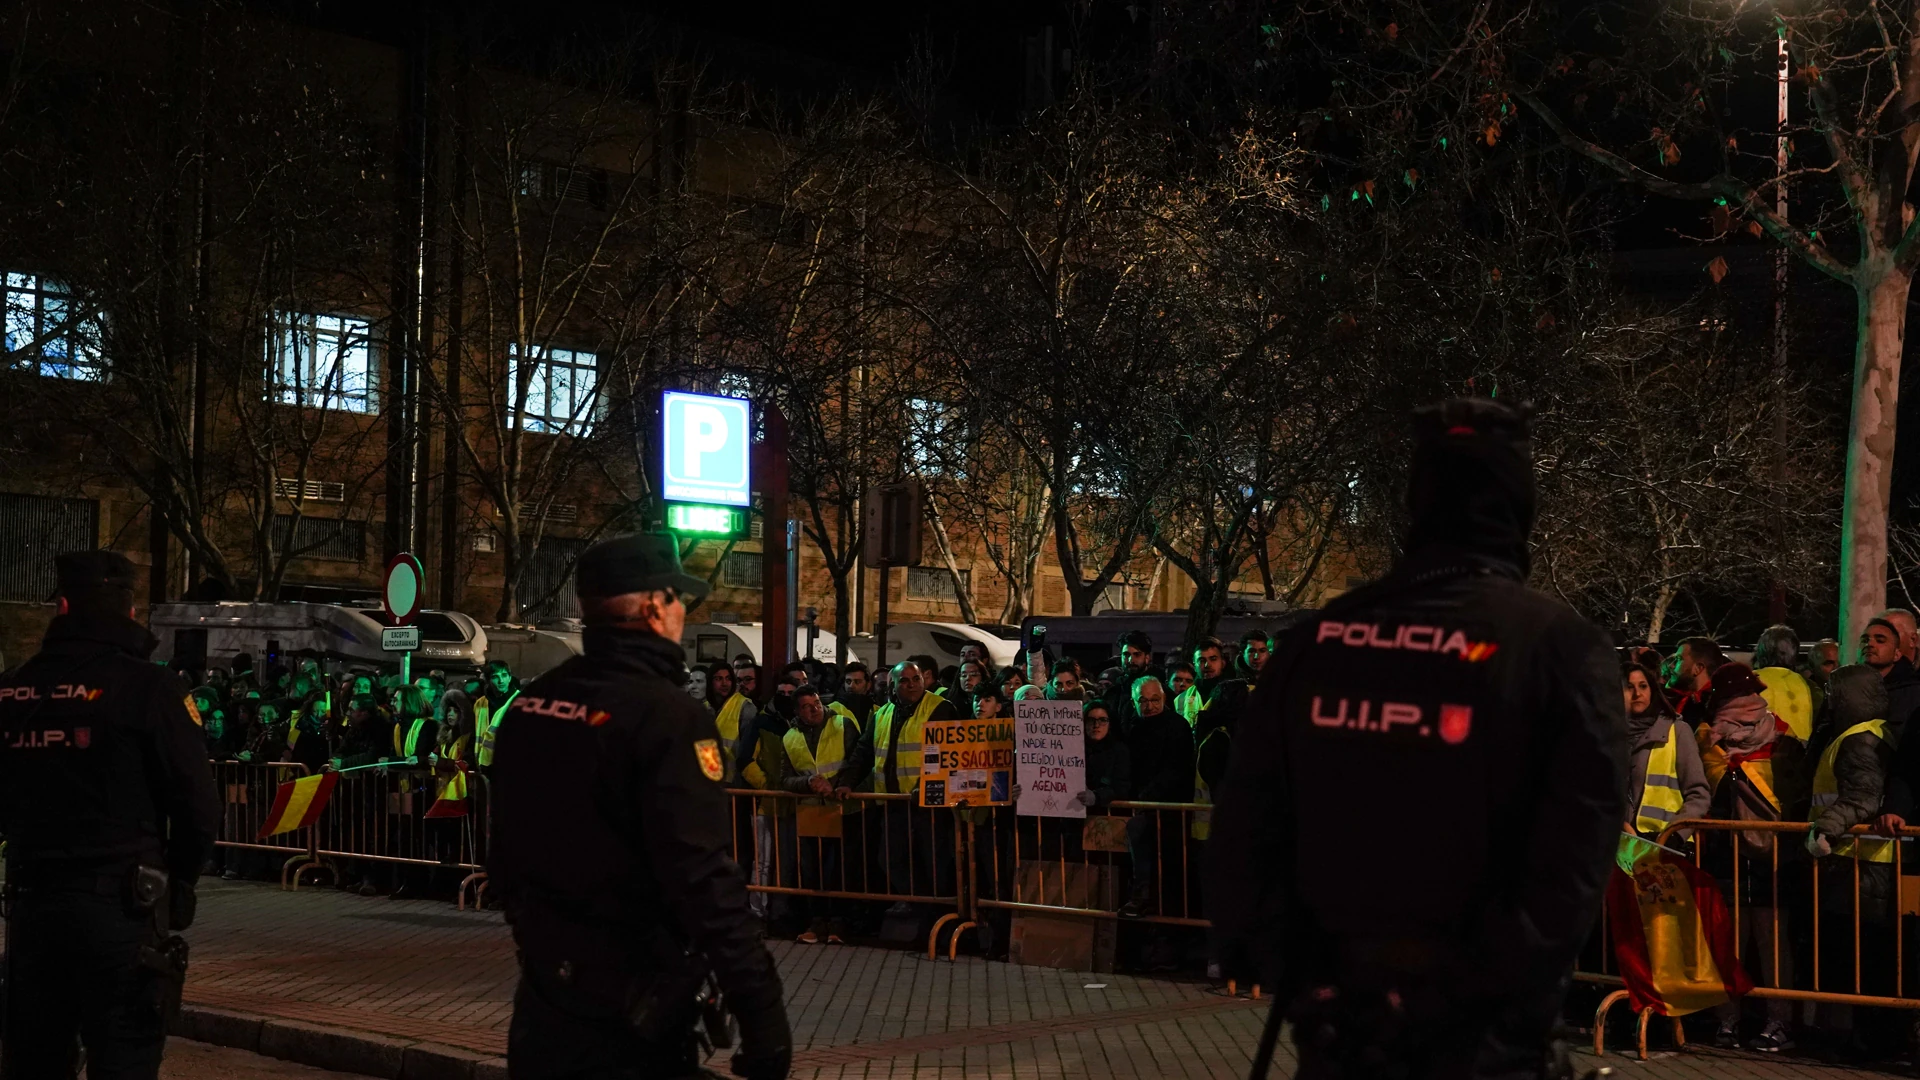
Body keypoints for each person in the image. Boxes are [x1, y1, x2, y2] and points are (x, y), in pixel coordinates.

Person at [1206, 398, 1622, 1077]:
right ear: (1520, 508)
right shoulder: (1559, 649)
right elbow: (1574, 864)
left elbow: (1244, 825)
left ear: (1416, 502)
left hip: (1346, 1028)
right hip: (1478, 1041)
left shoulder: (1317, 641)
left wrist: (1304, 978)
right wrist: (1480, 989)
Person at [487, 535, 790, 1080]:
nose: (681, 612)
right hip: (630, 1008)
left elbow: (503, 853)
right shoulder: (668, 717)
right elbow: (703, 877)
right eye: (679, 598)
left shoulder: (530, 706)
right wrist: (762, 1012)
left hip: (544, 998)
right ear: (654, 605)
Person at [0, 550, 220, 1078]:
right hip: (121, 914)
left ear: (63, 604)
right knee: (123, 1059)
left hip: (33, 911)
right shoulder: (149, 689)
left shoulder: (12, 691)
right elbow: (198, 806)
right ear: (129, 610)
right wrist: (180, 883)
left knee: (33, 1060)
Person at [1696, 661, 1805, 1051]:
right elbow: (1711, 786)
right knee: (1730, 941)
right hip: (1727, 856)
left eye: (1753, 697)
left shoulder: (1785, 739)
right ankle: (1728, 1019)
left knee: (1771, 942)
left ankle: (1779, 1022)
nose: (1750, 705)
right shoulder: (1707, 739)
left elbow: (1793, 796)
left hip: (1773, 858)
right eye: (1739, 699)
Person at [1807, 665, 1899, 1057]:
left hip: (1855, 865)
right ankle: (1864, 1037)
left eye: (1832, 692)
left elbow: (1863, 797)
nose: (1828, 699)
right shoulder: (1875, 733)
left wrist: (1824, 830)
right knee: (1865, 957)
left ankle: (1860, 1041)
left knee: (1854, 957)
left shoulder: (1859, 739)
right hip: (1861, 864)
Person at [834, 661, 958, 913]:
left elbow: (949, 756)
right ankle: (926, 915)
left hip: (929, 806)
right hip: (893, 804)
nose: (911, 685)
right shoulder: (883, 713)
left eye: (916, 679)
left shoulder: (941, 708)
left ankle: (939, 923)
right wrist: (847, 782)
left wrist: (925, 785)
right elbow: (864, 752)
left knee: (934, 864)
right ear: (892, 685)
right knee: (891, 861)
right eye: (904, 681)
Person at [778, 686, 862, 944]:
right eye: (806, 706)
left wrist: (834, 785)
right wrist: (809, 783)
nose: (814, 709)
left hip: (841, 809)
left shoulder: (842, 724)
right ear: (797, 711)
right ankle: (816, 921)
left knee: (840, 868)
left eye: (816, 703)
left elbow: (856, 761)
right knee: (812, 869)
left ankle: (839, 922)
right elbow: (784, 779)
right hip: (811, 810)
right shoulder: (789, 737)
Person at [1118, 676, 1193, 920]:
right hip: (1143, 806)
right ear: (1134, 701)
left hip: (1168, 810)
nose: (1149, 706)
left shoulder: (1177, 726)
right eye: (1143, 700)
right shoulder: (1133, 726)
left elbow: (1177, 769)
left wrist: (1147, 797)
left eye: (1155, 700)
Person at [1622, 662, 1710, 840]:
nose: (1637, 693)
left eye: (1643, 686)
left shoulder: (1677, 731)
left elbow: (1698, 794)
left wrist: (1676, 834)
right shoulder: (1607, 737)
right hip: (1619, 846)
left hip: (1664, 843)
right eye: (1630, 687)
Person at [1753, 625, 1817, 742]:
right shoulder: (1810, 687)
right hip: (1801, 753)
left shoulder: (1750, 681)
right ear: (1794, 653)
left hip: (1763, 754)